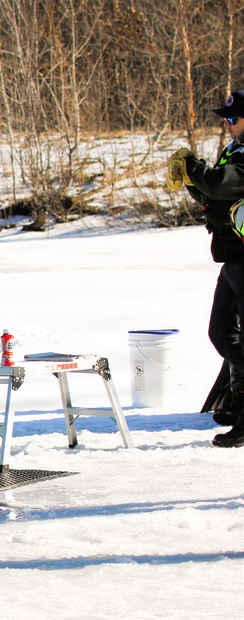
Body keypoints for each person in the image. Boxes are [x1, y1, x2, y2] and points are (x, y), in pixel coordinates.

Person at [169, 90, 244, 447]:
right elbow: (212, 192)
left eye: (232, 119)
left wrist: (194, 169)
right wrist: (189, 179)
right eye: (225, 120)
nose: (227, 126)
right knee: (221, 333)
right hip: (232, 253)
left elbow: (220, 183)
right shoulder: (234, 149)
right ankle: (236, 403)